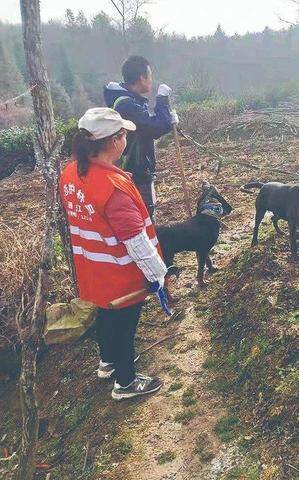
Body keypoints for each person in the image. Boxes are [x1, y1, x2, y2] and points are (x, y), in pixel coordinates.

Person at [60, 108, 171, 400]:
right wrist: (158, 275)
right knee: (124, 326)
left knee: (105, 314)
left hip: (92, 268)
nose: (126, 139)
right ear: (113, 142)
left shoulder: (71, 172)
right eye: (123, 135)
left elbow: (95, 208)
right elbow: (135, 240)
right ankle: (125, 382)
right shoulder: (113, 188)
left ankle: (107, 363)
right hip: (120, 273)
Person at [104, 55, 178, 217]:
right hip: (135, 172)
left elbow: (148, 125)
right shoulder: (127, 104)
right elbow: (154, 128)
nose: (151, 81)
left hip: (135, 170)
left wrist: (166, 118)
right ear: (141, 78)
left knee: (144, 213)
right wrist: (162, 100)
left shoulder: (128, 101)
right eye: (149, 76)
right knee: (144, 216)